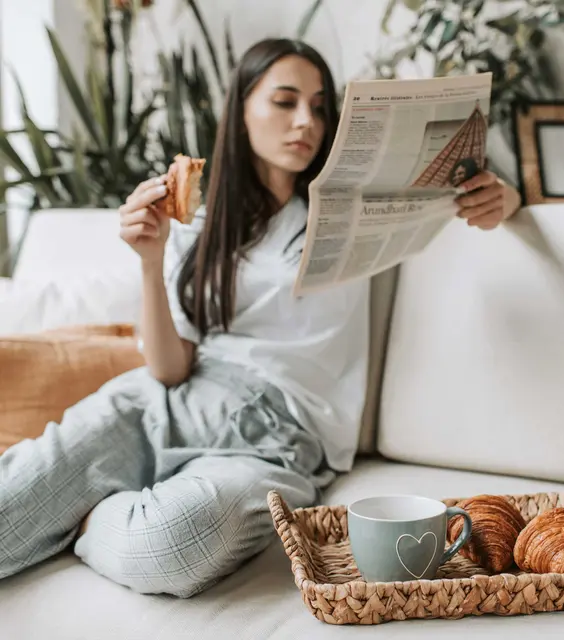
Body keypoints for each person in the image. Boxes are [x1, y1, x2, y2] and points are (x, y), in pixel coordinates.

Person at [0, 38, 522, 598]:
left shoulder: (357, 209)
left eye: (319, 107)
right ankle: (74, 503)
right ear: (242, 109)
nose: (306, 122)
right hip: (167, 403)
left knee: (173, 544)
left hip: (280, 437)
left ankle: (82, 516)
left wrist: (505, 201)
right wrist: (150, 266)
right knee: (13, 500)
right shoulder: (199, 225)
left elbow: (481, 204)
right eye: (284, 101)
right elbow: (170, 370)